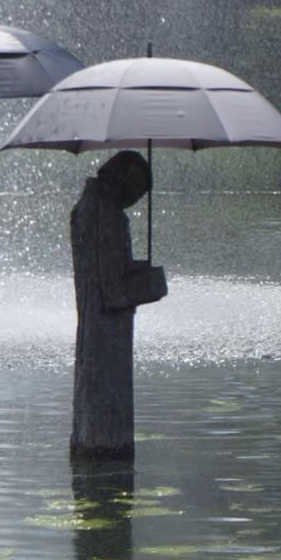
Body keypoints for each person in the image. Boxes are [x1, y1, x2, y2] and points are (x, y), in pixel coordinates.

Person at [70, 151, 168, 461]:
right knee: (107, 429)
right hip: (106, 335)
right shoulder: (107, 214)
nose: (138, 199)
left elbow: (106, 270)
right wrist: (151, 284)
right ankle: (105, 458)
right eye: (139, 191)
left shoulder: (88, 206)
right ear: (125, 180)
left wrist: (136, 270)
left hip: (94, 329)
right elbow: (112, 291)